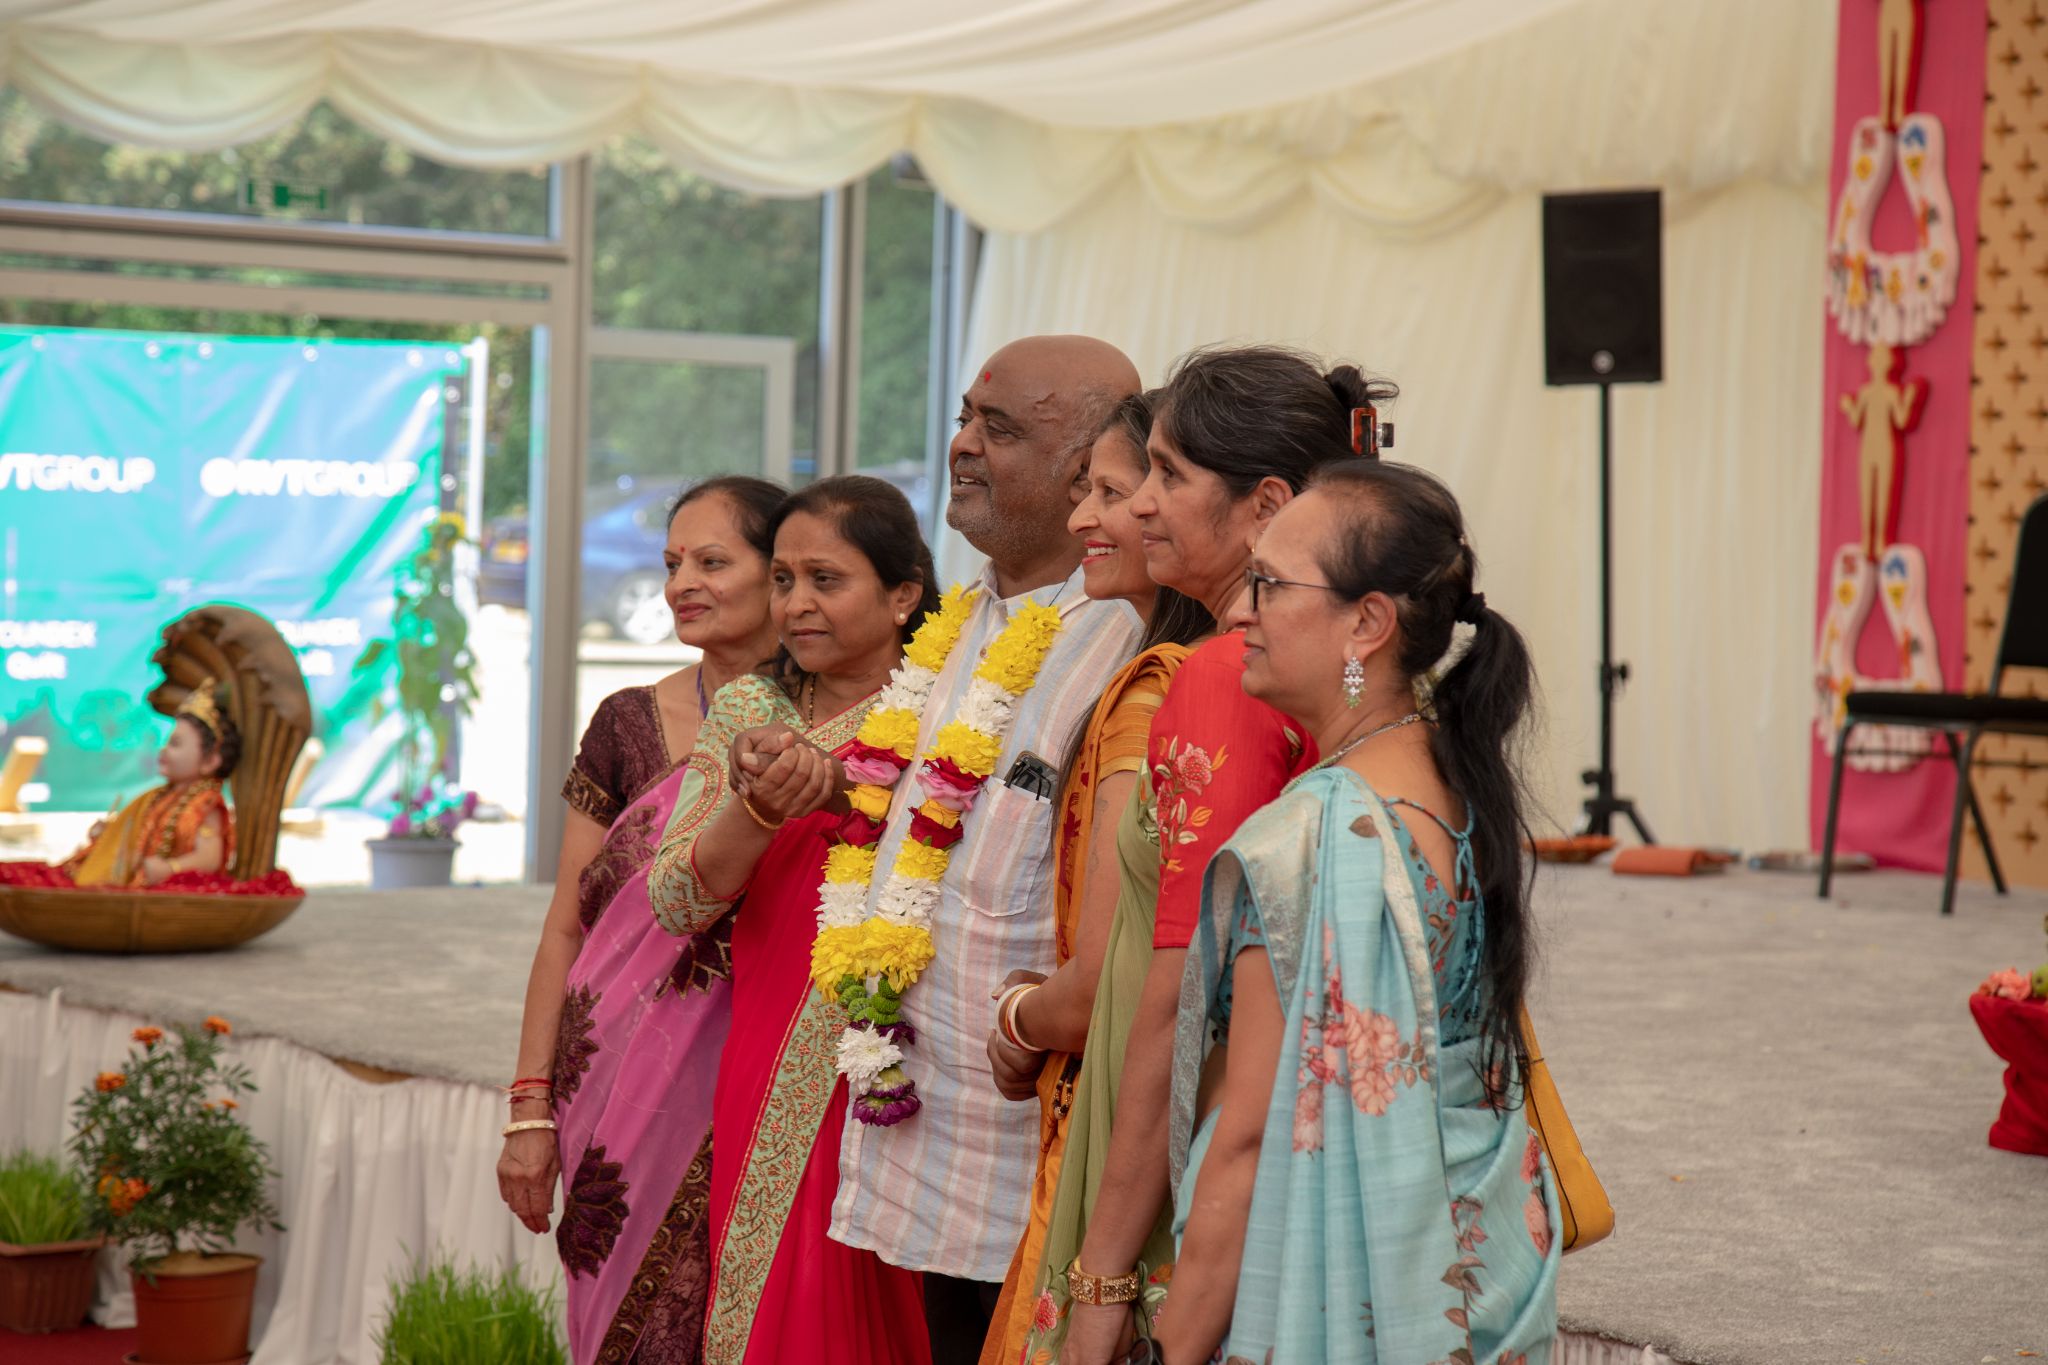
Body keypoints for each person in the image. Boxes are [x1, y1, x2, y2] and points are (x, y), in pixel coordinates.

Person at [763, 336, 1144, 1360]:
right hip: (925, 1108)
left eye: (1000, 428)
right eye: (966, 416)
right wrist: (826, 782)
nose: (961, 445)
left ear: (1085, 471)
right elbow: (932, 812)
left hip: (1033, 1128)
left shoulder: (1129, 642)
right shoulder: (960, 622)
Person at [1157, 460, 1559, 1364]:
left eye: (1266, 584)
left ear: (1368, 623)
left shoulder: (1315, 836)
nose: (1235, 612)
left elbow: (1250, 1137)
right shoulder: (1459, 783)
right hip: (1479, 1265)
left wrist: (1168, 1348)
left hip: (1359, 1301)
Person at [1062, 346, 1396, 1363]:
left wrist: (1103, 1277)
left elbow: (1178, 990)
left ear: (1262, 506)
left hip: (1192, 1158)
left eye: (1164, 476)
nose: (1134, 507)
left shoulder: (1220, 681)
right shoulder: (1341, 681)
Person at [648, 476, 938, 1364]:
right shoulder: (750, 713)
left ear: (902, 595)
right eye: (782, 579)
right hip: (774, 1060)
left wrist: (853, 788)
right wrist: (760, 802)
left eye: (825, 578)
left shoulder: (956, 714)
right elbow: (678, 899)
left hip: (920, 1055)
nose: (796, 603)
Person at [496, 475, 784, 1364]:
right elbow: (566, 927)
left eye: (711, 560)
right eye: (670, 564)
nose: (678, 585)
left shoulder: (841, 725)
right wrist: (529, 1109)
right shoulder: (626, 723)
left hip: (768, 1072)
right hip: (616, 1076)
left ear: (784, 574)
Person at [975, 392, 1211, 1364]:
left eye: (1120, 487)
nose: (1097, 517)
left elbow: (1121, 982)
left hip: (1131, 1124)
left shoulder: (1161, 689)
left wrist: (1017, 1017)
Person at [65, 678, 236, 887]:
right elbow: (139, 838)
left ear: (210, 761)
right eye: (167, 741)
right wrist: (109, 836)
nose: (164, 749)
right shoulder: (159, 797)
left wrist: (170, 869)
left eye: (175, 743)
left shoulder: (206, 804)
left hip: (176, 895)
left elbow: (210, 858)